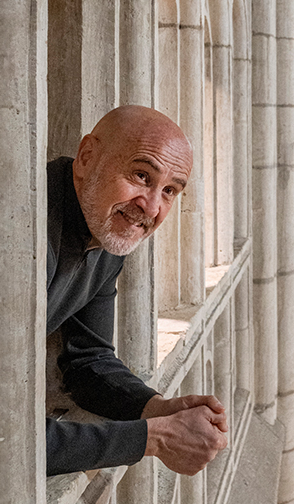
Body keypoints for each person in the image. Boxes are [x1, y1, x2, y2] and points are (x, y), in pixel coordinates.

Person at [44, 106, 228, 476]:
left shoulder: (104, 229)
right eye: (141, 175)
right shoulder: (22, 225)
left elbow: (88, 360)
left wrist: (156, 408)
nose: (152, 207)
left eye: (170, 190)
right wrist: (154, 438)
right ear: (87, 157)